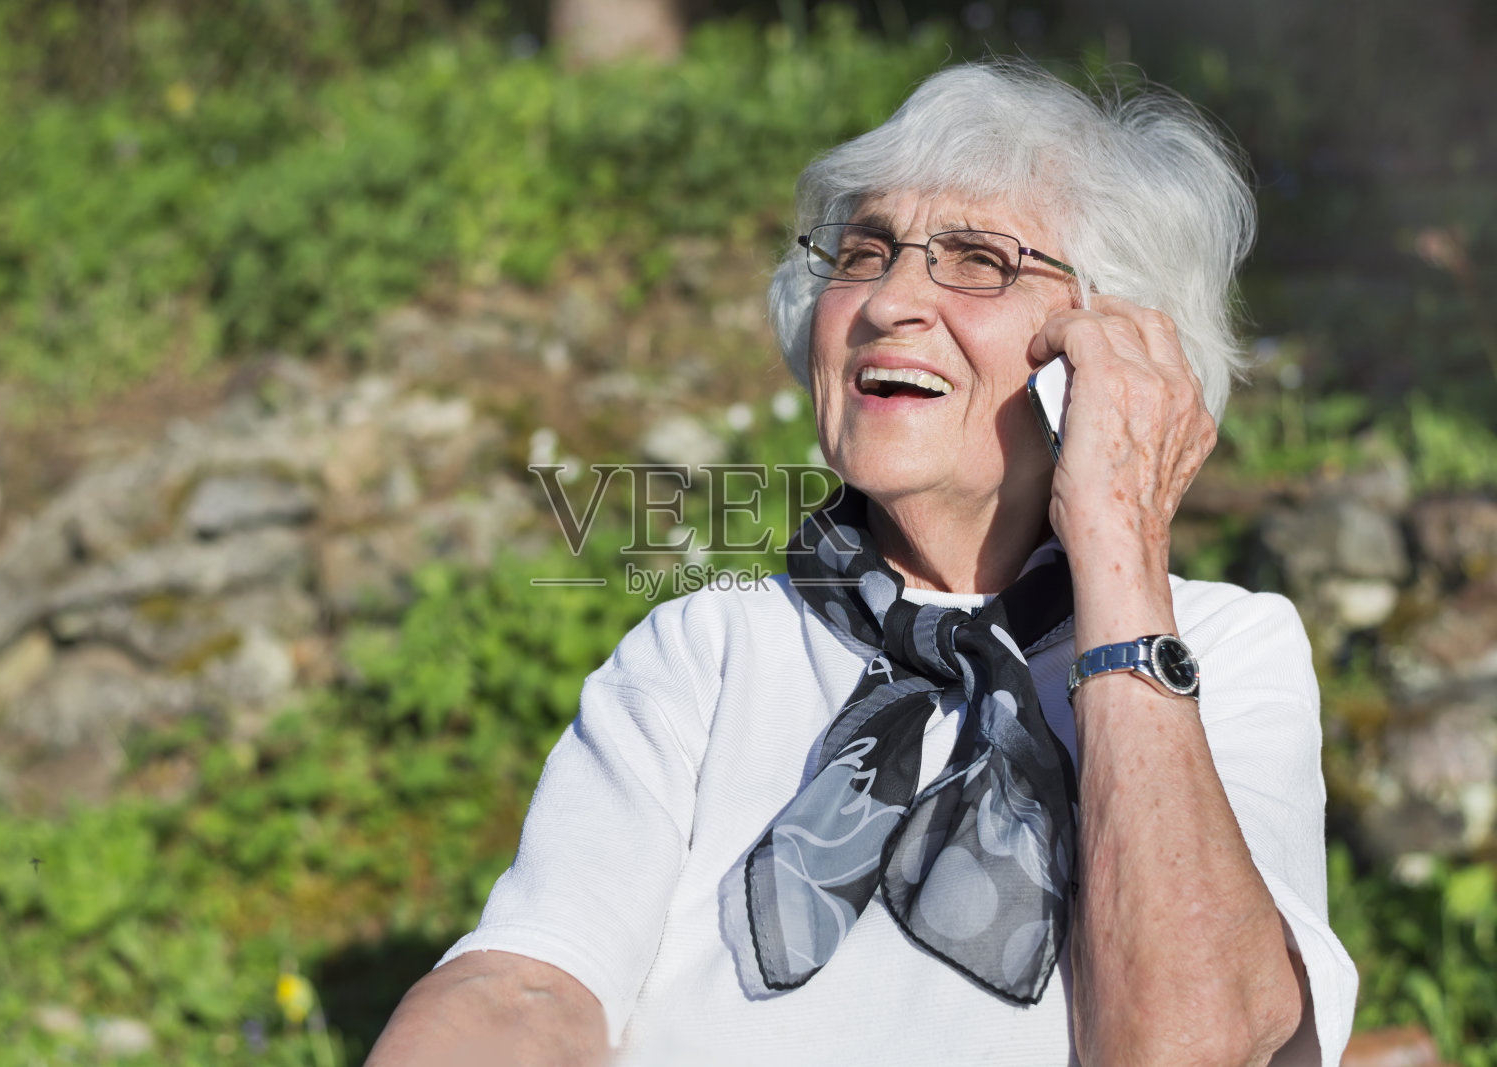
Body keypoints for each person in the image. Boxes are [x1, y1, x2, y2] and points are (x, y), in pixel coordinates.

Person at [366, 60, 1358, 1066]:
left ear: (1122, 346)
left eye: (977, 259)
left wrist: (1119, 536)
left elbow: (1195, 1042)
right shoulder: (708, 645)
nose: (889, 301)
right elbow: (528, 978)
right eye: (865, 251)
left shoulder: (1223, 651)